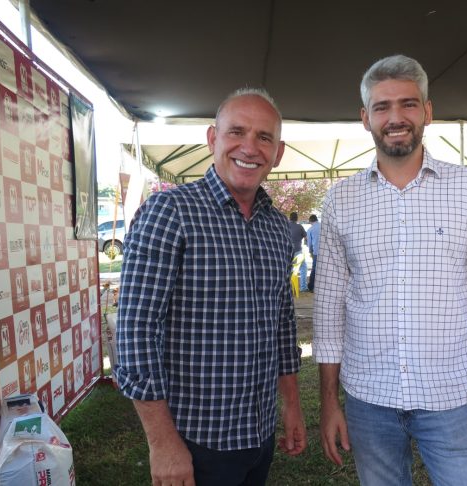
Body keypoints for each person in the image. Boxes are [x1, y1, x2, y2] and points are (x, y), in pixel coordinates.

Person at [313, 55, 467, 486]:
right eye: (382, 107)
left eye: (408, 104)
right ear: (365, 118)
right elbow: (329, 309)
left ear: (427, 111)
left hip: (451, 396)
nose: (395, 118)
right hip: (369, 399)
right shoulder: (340, 201)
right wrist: (329, 403)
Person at [114, 88, 306, 486]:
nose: (249, 147)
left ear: (278, 153)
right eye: (236, 131)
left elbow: (282, 323)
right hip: (195, 440)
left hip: (259, 434)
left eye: (264, 137)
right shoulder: (171, 212)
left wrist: (291, 405)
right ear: (212, 139)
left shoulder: (276, 227)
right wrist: (162, 442)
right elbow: (136, 331)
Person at [288, 211, 308, 292]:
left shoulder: (285, 225)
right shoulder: (300, 226)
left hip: (287, 252)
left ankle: (288, 288)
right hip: (298, 252)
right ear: (297, 219)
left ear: (289, 218)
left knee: (288, 269)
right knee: (303, 267)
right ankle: (303, 287)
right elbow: (306, 237)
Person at [306, 214, 320, 290]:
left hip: (316, 252)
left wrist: (310, 251)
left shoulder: (310, 229)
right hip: (326, 251)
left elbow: (309, 243)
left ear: (310, 221)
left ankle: (311, 286)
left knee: (314, 269)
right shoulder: (324, 226)